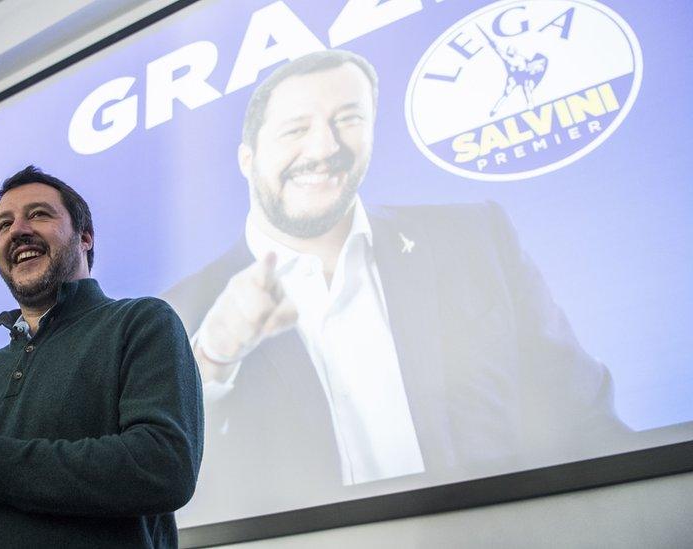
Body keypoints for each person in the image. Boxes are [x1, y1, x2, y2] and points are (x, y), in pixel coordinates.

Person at [162, 50, 627, 518]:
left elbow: (583, 415)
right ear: (247, 157)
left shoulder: (476, 238)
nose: (324, 148)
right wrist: (213, 358)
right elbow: (171, 492)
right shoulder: (177, 312)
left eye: (348, 119)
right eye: (295, 129)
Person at [0, 167, 204, 548]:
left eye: (38, 214)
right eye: (3, 225)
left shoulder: (141, 321)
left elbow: (164, 466)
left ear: (85, 237)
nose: (17, 230)